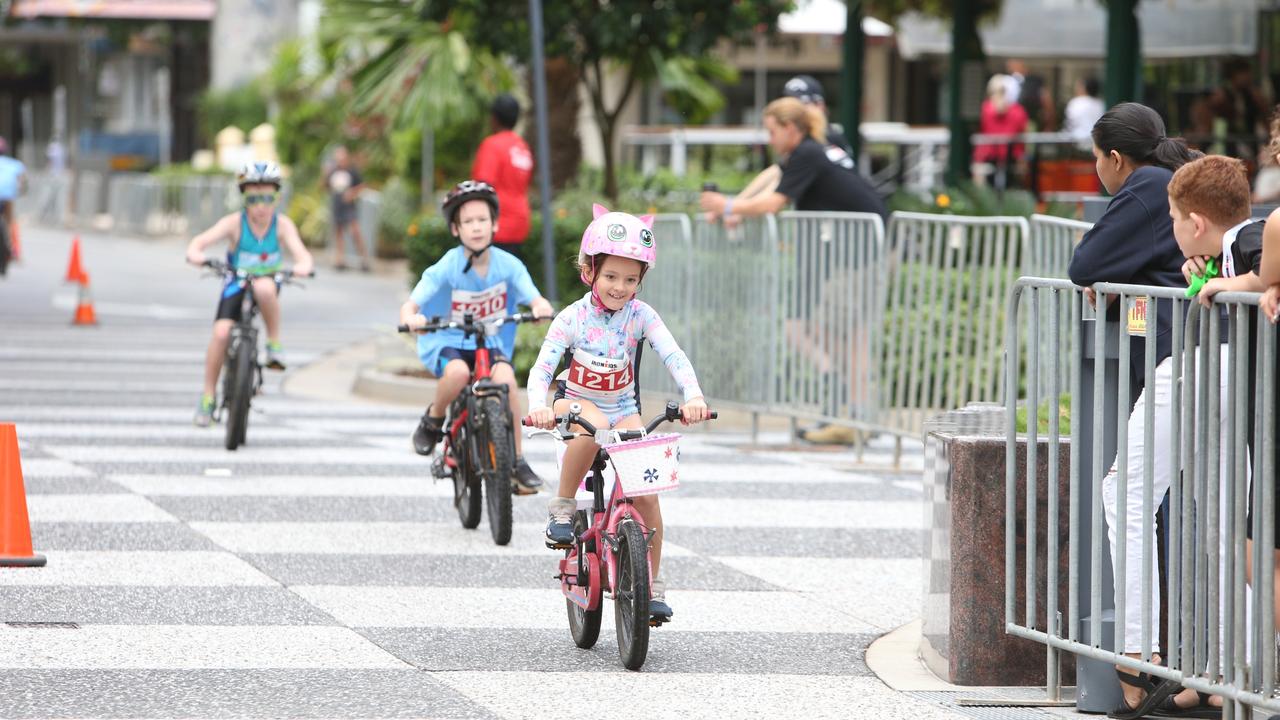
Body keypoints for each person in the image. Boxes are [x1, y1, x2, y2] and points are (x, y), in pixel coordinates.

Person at [1066, 102, 1202, 718]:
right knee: (1219, 512)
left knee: (1127, 494)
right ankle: (1220, 671)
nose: (1097, 171)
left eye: (1096, 159)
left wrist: (1104, 266)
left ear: (1116, 158)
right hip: (1210, 353)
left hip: (1189, 360)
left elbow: (1086, 264)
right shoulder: (1167, 181)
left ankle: (1137, 658)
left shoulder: (1144, 186)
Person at [525, 205, 710, 622]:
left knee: (646, 487)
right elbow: (541, 369)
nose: (620, 287)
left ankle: (654, 582)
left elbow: (673, 355)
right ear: (590, 271)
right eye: (610, 276)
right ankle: (563, 505)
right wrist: (539, 407)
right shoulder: (572, 317)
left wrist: (693, 395)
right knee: (594, 429)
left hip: (624, 408)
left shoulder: (642, 316)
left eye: (630, 279)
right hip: (573, 404)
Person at [700, 96, 887, 446]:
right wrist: (734, 208)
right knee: (841, 335)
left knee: (851, 339)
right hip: (852, 252)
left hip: (857, 254)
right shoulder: (805, 154)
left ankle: (855, 418)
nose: (769, 138)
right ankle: (850, 412)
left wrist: (726, 204)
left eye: (772, 131)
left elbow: (773, 202)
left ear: (790, 128)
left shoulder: (808, 153)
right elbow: (772, 182)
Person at [1156, 154, 1267, 717]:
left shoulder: (1253, 233)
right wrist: (1206, 278)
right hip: (1251, 407)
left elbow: (1265, 272)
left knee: (1251, 545)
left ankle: (1248, 673)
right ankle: (1231, 672)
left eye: (1172, 218)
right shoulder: (1235, 243)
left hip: (1259, 406)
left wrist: (1229, 284)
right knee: (1235, 538)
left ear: (1194, 221)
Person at [401, 180, 553, 494]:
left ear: (495, 224)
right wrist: (410, 317)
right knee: (457, 373)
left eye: (482, 220)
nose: (476, 227)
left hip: (490, 343)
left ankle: (516, 460)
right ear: (456, 230)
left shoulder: (509, 265)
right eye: (467, 222)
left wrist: (540, 307)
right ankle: (434, 418)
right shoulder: (449, 265)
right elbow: (412, 303)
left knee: (508, 382)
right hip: (449, 341)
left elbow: (534, 297)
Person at [185, 162, 315, 427]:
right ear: (244, 198)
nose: (261, 206)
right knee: (221, 333)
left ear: (276, 198)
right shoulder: (234, 223)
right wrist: (197, 255)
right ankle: (208, 396)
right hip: (236, 282)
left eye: (268, 198)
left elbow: (303, 256)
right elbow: (199, 242)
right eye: (253, 199)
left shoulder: (282, 226)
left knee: (264, 288)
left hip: (267, 283)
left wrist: (302, 267)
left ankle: (274, 345)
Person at [471, 94, 534, 258]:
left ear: (494, 118)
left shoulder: (492, 145)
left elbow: (482, 188)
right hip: (520, 223)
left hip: (497, 226)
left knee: (490, 280)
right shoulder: (522, 147)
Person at [781, 74, 855, 169]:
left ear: (819, 105)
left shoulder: (827, 136)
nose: (793, 112)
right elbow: (780, 169)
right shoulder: (804, 137)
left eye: (799, 106)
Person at [972, 74, 1029, 187]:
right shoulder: (1018, 111)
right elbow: (1022, 135)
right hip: (1009, 159)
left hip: (989, 157)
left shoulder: (984, 109)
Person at [325, 146, 370, 272]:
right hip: (337, 205)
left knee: (355, 232)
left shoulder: (352, 171)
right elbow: (326, 186)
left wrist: (352, 193)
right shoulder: (332, 171)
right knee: (338, 233)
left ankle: (364, 258)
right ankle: (340, 259)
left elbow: (362, 185)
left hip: (349, 207)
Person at [0, 136, 27, 276]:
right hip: (8, 197)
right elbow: (22, 182)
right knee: (9, 222)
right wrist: (20, 192)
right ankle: (11, 246)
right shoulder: (14, 164)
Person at [1063, 77, 1105, 144]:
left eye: (1079, 86)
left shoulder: (1076, 102)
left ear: (1084, 88)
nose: (1076, 89)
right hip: (1097, 141)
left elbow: (1069, 124)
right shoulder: (1101, 103)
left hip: (1077, 141)